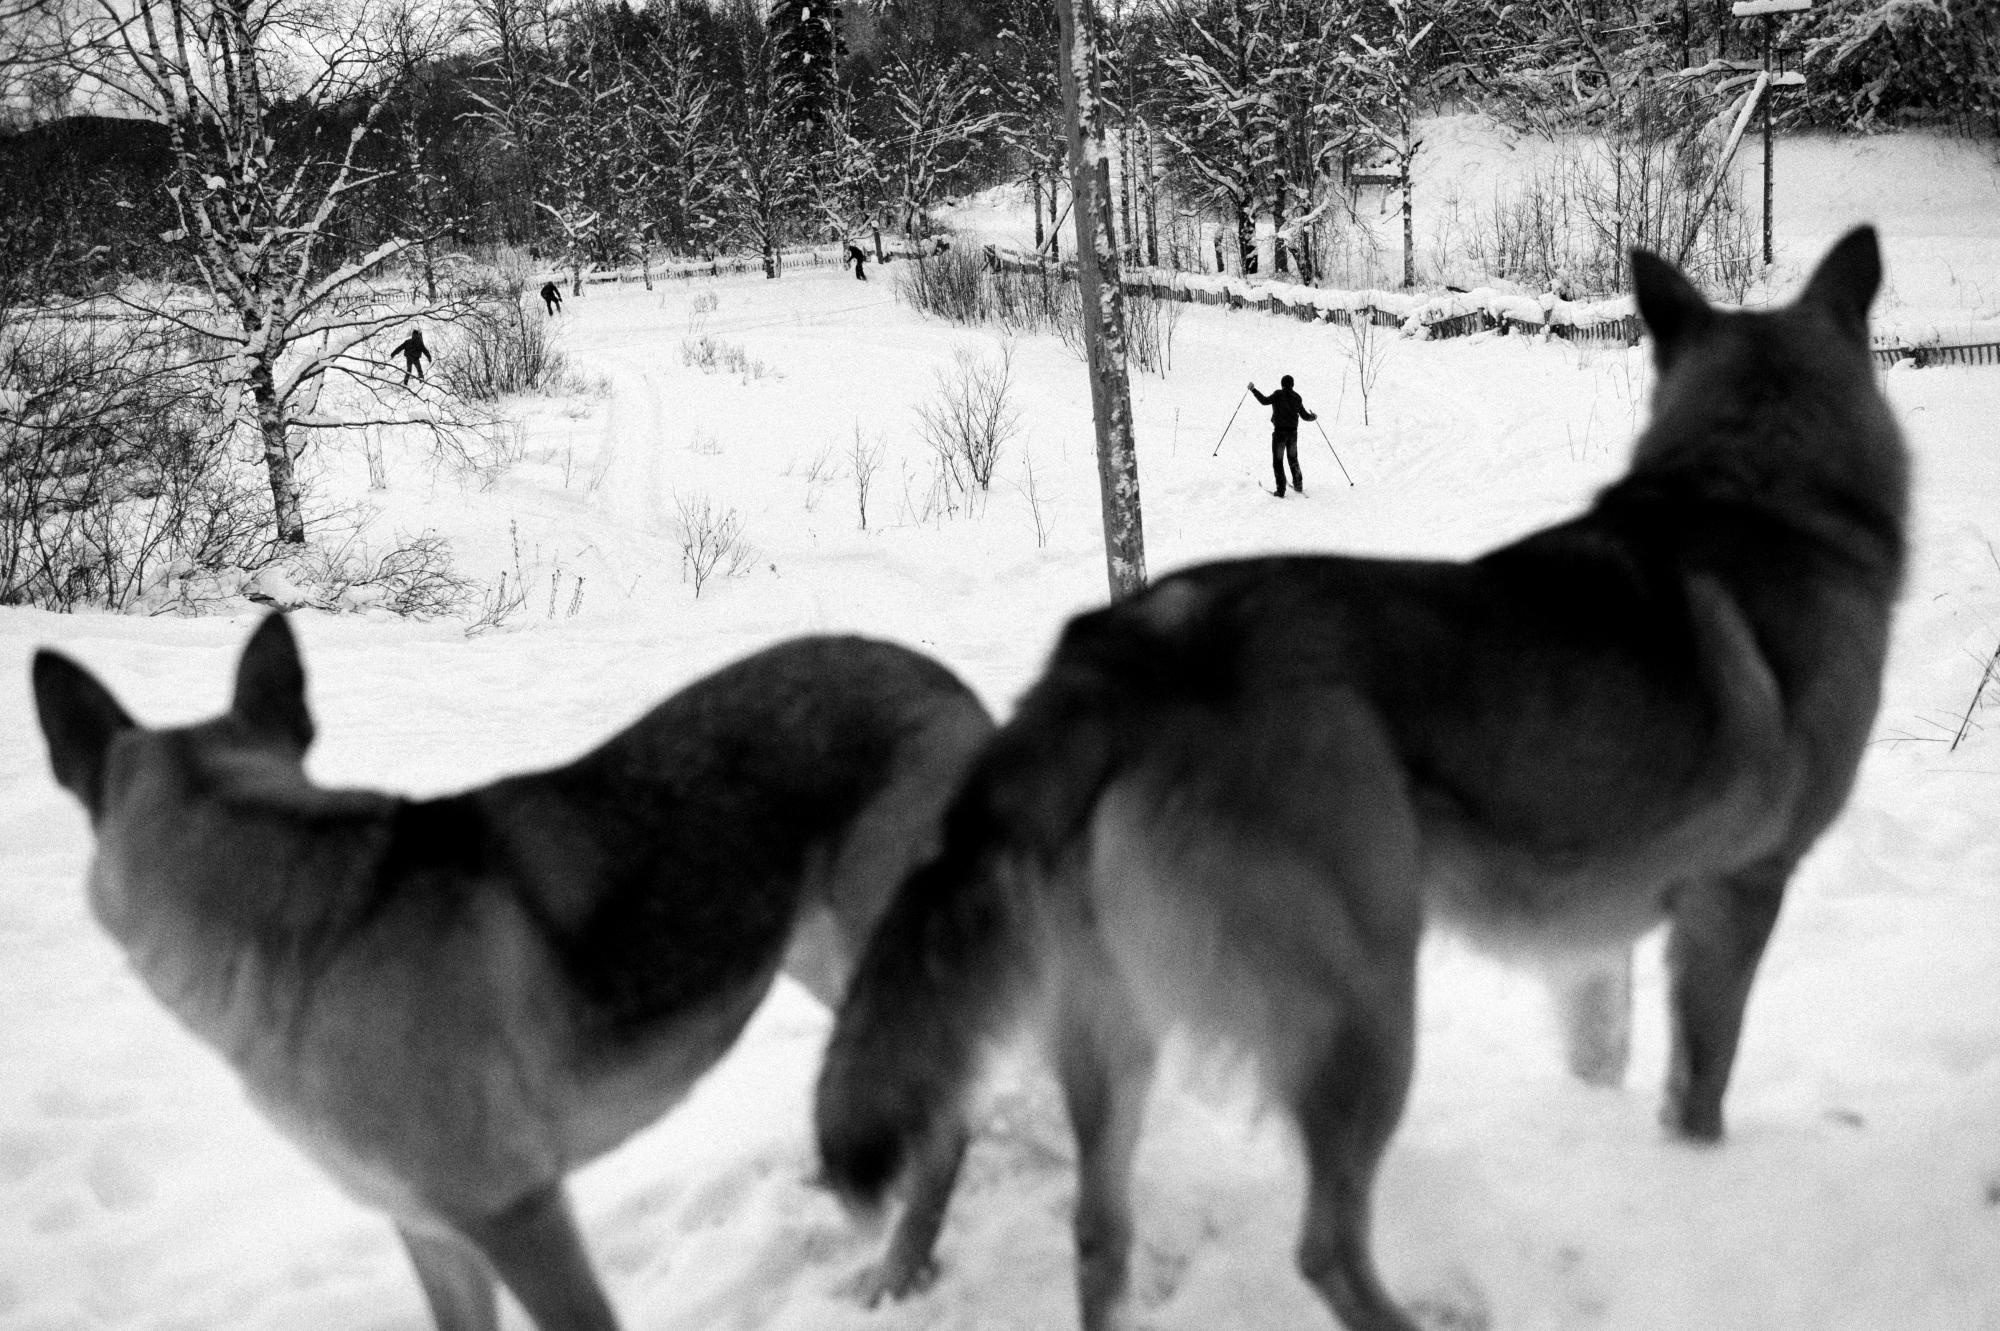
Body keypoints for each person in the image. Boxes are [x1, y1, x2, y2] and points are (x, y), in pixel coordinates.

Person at [1248, 375, 1316, 497]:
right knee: (1293, 459)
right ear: (1293, 385)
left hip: (1280, 433)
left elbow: (1264, 401)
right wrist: (1314, 417)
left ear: (1282, 384)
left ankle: (1281, 490)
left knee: (1278, 462)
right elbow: (1305, 416)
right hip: (1293, 434)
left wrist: (1253, 390)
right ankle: (1298, 485)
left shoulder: (1278, 394)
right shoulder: (1297, 397)